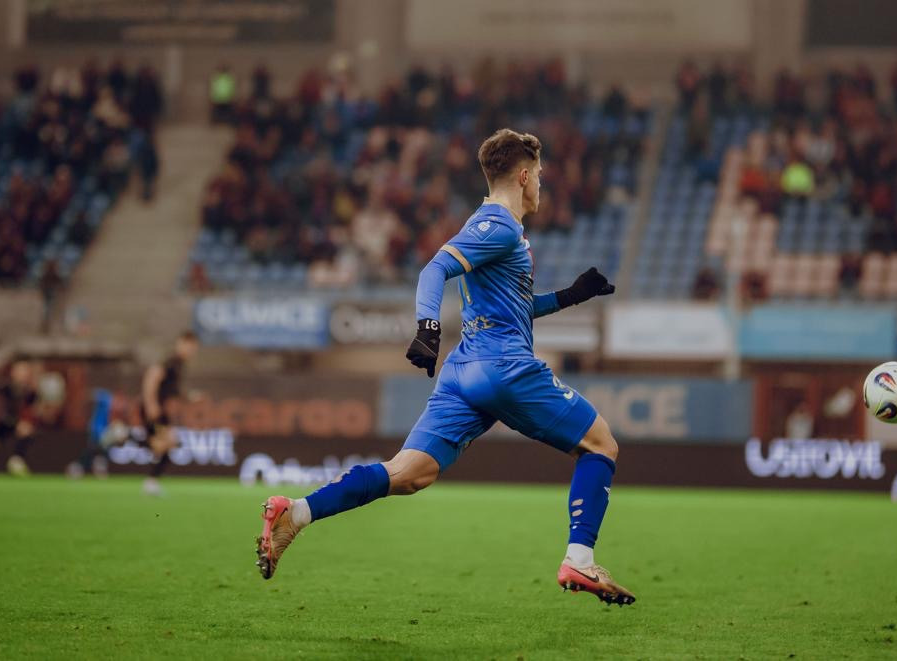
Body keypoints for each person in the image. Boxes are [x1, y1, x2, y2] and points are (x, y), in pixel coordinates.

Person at [254, 129, 634, 605]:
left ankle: (296, 513)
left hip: (465, 372)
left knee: (408, 473)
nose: (541, 185)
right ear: (523, 176)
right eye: (538, 175)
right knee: (601, 444)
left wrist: (570, 296)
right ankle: (579, 559)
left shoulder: (499, 230)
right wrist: (428, 328)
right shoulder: (497, 225)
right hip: (503, 366)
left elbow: (513, 308)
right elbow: (434, 268)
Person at [140, 331, 199, 496]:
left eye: (193, 348)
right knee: (167, 443)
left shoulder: (179, 365)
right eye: (189, 346)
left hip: (161, 409)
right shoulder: (171, 361)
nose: (191, 350)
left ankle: (151, 481)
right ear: (180, 344)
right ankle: (151, 481)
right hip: (155, 409)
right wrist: (151, 403)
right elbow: (152, 376)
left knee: (164, 445)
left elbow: (172, 390)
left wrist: (189, 397)